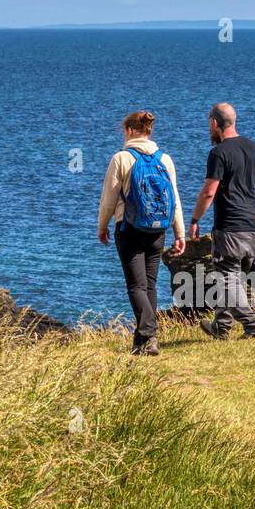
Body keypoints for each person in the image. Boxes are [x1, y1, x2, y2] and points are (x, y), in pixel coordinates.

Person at [98, 110, 185, 355]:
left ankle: (149, 333)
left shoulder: (122, 158)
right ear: (149, 130)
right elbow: (175, 198)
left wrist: (102, 226)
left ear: (128, 131)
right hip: (158, 230)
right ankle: (142, 342)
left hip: (129, 228)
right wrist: (180, 233)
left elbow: (109, 199)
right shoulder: (165, 159)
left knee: (136, 286)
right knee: (150, 285)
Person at [190, 102, 255, 340]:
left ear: (215, 123)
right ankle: (221, 326)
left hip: (230, 227)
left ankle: (252, 325)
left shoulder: (218, 153)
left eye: (209, 124)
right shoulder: (254, 147)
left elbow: (209, 191)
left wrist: (195, 219)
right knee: (232, 278)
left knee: (227, 278)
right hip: (254, 225)